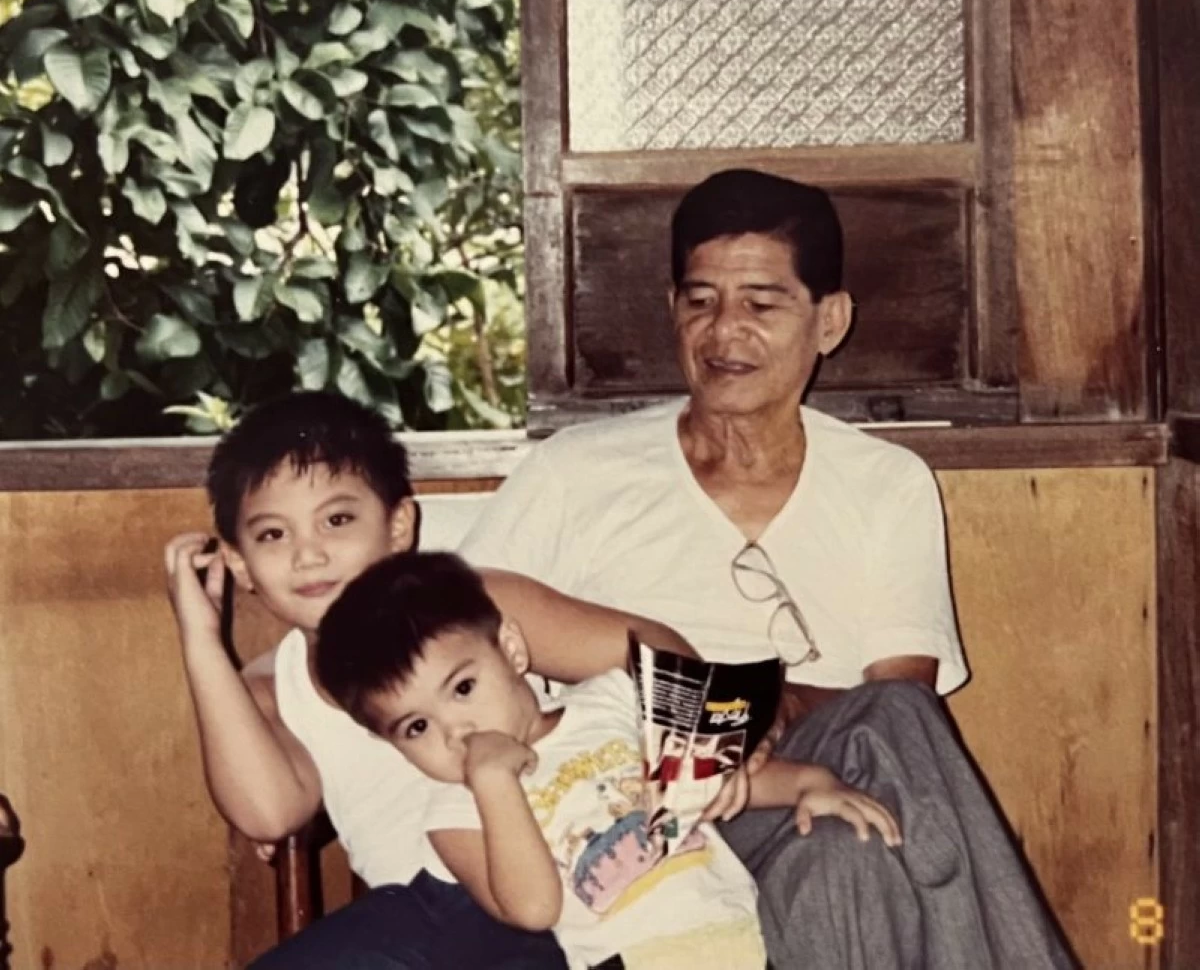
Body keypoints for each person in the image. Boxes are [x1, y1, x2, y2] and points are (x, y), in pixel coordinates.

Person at [458, 168, 1078, 970]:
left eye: (761, 302)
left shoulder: (884, 483)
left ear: (830, 320)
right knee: (883, 727)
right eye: (700, 300)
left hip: (801, 800)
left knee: (857, 837)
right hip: (634, 818)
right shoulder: (578, 471)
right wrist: (728, 703)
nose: (723, 332)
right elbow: (446, 630)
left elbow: (899, 714)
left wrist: (751, 708)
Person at [164, 390, 700, 970]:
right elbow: (269, 814)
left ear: (398, 527)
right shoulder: (273, 688)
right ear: (240, 565)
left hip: (569, 869)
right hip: (426, 917)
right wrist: (199, 635)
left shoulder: (471, 605)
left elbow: (662, 654)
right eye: (274, 535)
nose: (309, 555)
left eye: (337, 520)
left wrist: (693, 768)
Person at [316, 551, 902, 970]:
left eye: (463, 688)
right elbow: (533, 907)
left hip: (742, 938)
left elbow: (717, 786)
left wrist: (811, 784)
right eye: (417, 727)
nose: (455, 730)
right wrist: (494, 781)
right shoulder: (454, 808)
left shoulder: (613, 700)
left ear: (512, 651)